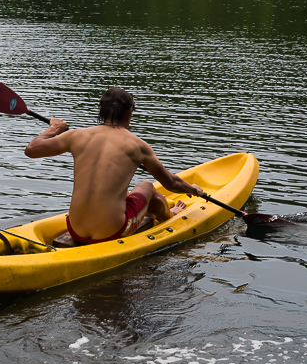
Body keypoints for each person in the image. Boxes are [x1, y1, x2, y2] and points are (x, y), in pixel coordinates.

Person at [24, 86, 205, 247]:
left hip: (75, 230)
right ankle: (170, 216)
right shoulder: (137, 145)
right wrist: (194, 190)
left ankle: (159, 211)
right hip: (111, 232)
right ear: (129, 113)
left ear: (101, 110)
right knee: (147, 186)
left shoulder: (75, 136)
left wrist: (54, 129)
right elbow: (172, 183)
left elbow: (31, 150)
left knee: (124, 194)